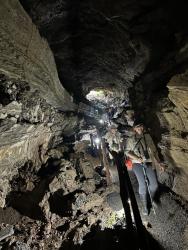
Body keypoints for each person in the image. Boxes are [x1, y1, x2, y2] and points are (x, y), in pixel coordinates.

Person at [124, 121, 164, 215]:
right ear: (134, 129)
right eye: (138, 127)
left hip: (148, 161)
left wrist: (159, 163)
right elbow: (127, 151)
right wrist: (137, 158)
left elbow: (154, 151)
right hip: (136, 163)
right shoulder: (131, 139)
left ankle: (150, 199)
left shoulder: (147, 137)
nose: (140, 129)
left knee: (154, 185)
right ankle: (145, 205)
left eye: (141, 127)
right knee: (143, 185)